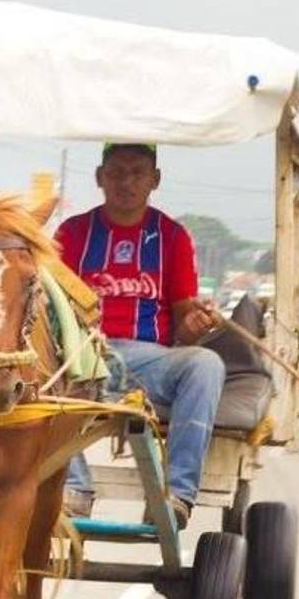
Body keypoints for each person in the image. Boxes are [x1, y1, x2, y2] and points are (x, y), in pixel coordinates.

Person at [54, 143, 226, 529]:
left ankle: (175, 495)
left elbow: (183, 321)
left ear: (155, 179)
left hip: (149, 362)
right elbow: (51, 308)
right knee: (42, 365)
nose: (125, 182)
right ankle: (74, 488)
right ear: (100, 178)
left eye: (137, 173)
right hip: (83, 357)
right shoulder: (72, 233)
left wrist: (197, 324)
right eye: (115, 172)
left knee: (206, 365)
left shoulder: (172, 237)